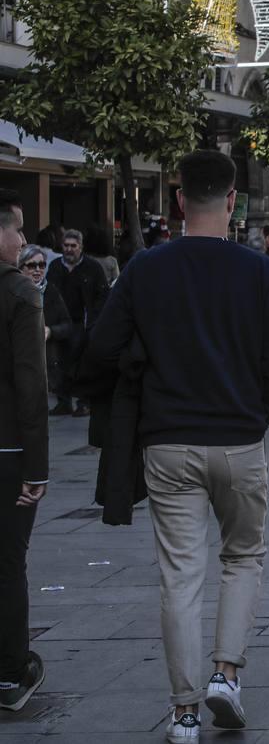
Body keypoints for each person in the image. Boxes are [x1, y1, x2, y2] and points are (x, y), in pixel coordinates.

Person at [80, 150, 269, 742]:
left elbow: (100, 348)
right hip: (240, 439)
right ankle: (226, 674)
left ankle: (182, 711)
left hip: (167, 442)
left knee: (179, 574)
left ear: (178, 200)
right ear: (231, 202)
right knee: (243, 556)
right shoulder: (260, 272)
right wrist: (262, 412)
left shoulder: (145, 268)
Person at [0, 189, 48, 713]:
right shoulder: (19, 293)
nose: (22, 240)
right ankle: (10, 671)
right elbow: (31, 386)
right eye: (16, 230)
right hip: (8, 447)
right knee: (8, 561)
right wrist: (38, 467)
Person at [45, 228, 109, 417]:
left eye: (73, 246)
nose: (69, 249)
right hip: (61, 323)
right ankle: (63, 402)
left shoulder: (93, 268)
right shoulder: (56, 266)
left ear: (81, 247)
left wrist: (95, 321)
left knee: (82, 364)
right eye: (66, 245)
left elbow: (102, 295)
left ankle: (84, 402)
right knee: (60, 362)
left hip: (83, 322)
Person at [17, 245, 73, 400]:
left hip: (47, 365)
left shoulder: (51, 291)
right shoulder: (12, 292)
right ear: (21, 267)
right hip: (20, 362)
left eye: (41, 265)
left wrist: (50, 331)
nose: (37, 270)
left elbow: (68, 325)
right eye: (32, 265)